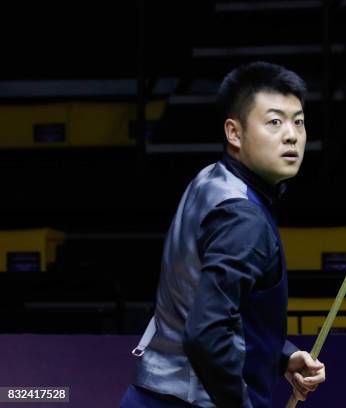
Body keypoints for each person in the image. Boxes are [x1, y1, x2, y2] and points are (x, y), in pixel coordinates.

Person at [121, 62, 325, 407]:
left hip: (150, 393)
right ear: (235, 133)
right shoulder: (242, 217)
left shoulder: (211, 180)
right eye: (275, 122)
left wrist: (280, 355)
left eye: (299, 122)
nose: (291, 135)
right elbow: (207, 332)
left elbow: (206, 307)